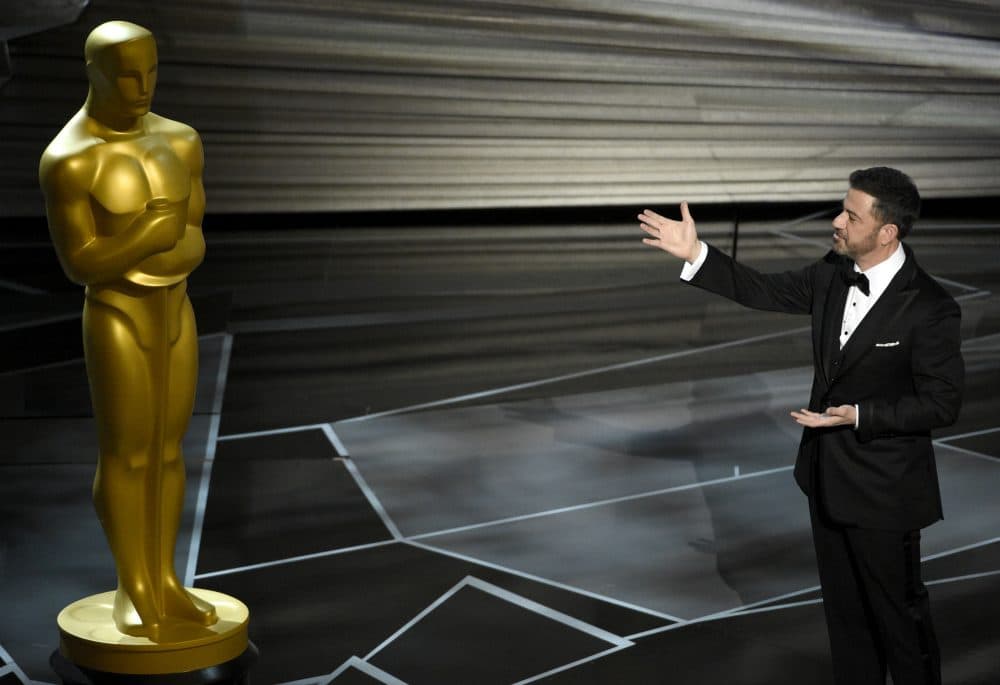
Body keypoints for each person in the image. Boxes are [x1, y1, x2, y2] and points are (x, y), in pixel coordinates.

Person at [639, 167, 963, 685]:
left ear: (887, 233)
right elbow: (763, 289)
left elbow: (942, 403)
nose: (836, 220)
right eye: (841, 207)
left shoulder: (930, 308)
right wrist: (697, 256)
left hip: (885, 495)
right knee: (847, 623)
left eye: (850, 215)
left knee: (901, 622)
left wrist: (860, 415)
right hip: (826, 479)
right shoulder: (832, 273)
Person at [39, 20, 216, 643]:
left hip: (175, 309)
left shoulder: (181, 141)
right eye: (126, 76)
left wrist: (167, 242)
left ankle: (164, 579)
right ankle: (133, 585)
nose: (141, 88)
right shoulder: (70, 159)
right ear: (93, 73)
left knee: (169, 451)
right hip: (117, 312)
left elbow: (194, 234)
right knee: (128, 451)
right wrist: (146, 235)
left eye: (151, 73)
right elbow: (78, 263)